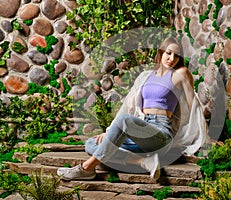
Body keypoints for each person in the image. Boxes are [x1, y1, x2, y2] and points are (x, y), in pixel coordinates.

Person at [57, 36, 207, 181]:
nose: (172, 58)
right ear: (161, 53)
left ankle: (86, 169)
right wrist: (110, 131)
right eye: (168, 53)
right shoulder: (146, 76)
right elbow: (128, 106)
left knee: (123, 122)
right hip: (142, 128)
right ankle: (143, 162)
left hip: (161, 134)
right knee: (91, 144)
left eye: (176, 55)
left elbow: (193, 105)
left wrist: (204, 134)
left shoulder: (180, 74)